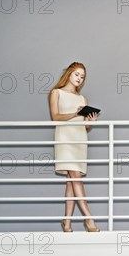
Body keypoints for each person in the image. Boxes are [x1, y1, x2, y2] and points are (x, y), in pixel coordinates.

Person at [49, 61, 100, 232]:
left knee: (71, 182)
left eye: (82, 76)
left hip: (79, 140)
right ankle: (89, 219)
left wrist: (89, 122)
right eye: (77, 74)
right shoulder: (56, 93)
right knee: (76, 178)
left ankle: (67, 222)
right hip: (65, 139)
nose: (79, 78)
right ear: (69, 73)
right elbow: (55, 117)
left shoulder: (82, 99)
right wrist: (75, 113)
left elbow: (83, 126)